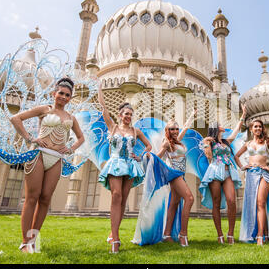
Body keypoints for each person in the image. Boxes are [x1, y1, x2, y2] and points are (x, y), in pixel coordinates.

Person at [9, 78, 85, 253]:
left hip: (56, 158)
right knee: (32, 197)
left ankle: (33, 240)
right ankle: (24, 241)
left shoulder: (71, 118)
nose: (64, 97)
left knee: (45, 199)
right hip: (38, 155)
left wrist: (70, 149)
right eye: (61, 93)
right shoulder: (44, 109)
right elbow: (16, 119)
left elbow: (81, 138)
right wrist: (30, 138)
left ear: (70, 98)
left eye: (67, 95)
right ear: (54, 93)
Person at [97, 81, 152, 253]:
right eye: (126, 114)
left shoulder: (136, 131)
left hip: (130, 165)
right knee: (117, 195)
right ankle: (116, 239)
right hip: (115, 163)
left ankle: (112, 233)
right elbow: (103, 108)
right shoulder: (112, 127)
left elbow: (148, 146)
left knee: (123, 201)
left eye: (130, 114)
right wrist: (99, 89)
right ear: (120, 115)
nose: (128, 116)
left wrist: (141, 155)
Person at [199, 105, 246, 244]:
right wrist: (206, 142)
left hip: (228, 171)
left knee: (232, 201)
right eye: (220, 125)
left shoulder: (226, 141)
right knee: (216, 203)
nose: (222, 125)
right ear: (215, 128)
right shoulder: (209, 142)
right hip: (214, 171)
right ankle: (220, 235)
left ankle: (230, 234)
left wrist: (243, 115)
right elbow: (208, 157)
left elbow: (236, 131)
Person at [234, 119, 269, 245]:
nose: (257, 129)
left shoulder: (267, 142)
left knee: (261, 203)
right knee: (254, 205)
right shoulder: (248, 143)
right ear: (251, 129)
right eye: (255, 127)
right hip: (251, 175)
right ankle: (262, 234)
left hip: (263, 174)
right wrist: (242, 166)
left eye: (259, 127)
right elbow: (236, 156)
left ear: (262, 129)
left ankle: (260, 236)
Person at [156, 111, 196, 247]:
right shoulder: (166, 142)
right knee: (190, 198)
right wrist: (149, 157)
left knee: (173, 204)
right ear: (167, 130)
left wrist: (192, 114)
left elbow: (186, 126)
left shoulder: (178, 140)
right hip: (174, 174)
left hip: (181, 174)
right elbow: (158, 157)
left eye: (176, 128)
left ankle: (167, 234)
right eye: (172, 128)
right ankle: (183, 234)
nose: (175, 131)